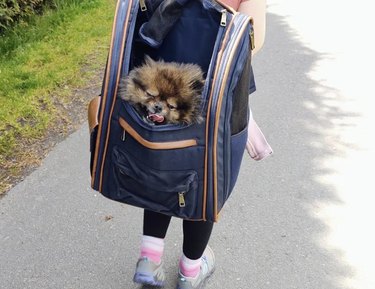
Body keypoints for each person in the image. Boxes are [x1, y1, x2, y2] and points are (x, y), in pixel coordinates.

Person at [132, 1, 266, 289]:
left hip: (162, 86)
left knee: (163, 168)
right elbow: (251, 39)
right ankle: (190, 271)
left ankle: (149, 261)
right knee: (206, 182)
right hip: (220, 98)